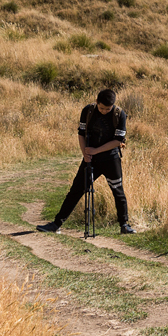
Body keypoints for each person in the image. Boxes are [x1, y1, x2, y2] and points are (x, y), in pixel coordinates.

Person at [37, 87, 136, 234]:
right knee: (76, 191)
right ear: (97, 102)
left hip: (111, 159)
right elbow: (81, 133)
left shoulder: (119, 114)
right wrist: (85, 153)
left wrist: (96, 150)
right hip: (91, 160)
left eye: (108, 109)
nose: (104, 111)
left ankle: (124, 225)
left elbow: (118, 140)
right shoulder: (88, 111)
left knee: (118, 191)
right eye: (102, 108)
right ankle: (56, 224)